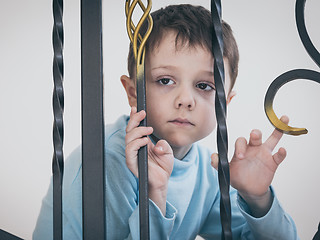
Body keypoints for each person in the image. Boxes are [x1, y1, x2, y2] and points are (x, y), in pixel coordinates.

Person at [33, 4, 299, 239]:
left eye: (205, 86)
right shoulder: (106, 164)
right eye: (165, 81)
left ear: (225, 105)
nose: (186, 100)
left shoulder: (206, 172)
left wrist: (257, 199)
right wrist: (155, 195)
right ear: (133, 92)